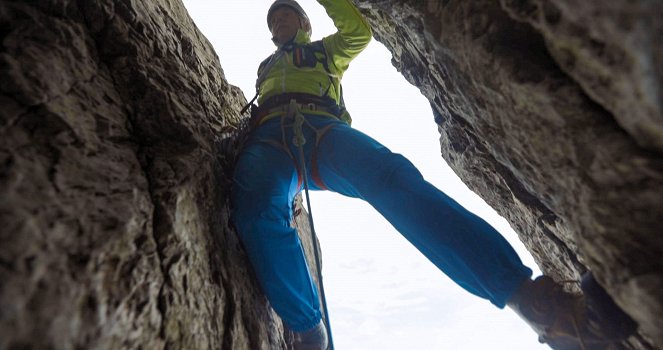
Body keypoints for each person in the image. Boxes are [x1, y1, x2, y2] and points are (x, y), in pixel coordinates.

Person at [231, 1, 621, 349]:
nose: (277, 24)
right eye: (273, 22)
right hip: (271, 135)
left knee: (392, 178)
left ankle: (549, 313)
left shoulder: (324, 53)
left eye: (285, 16)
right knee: (256, 206)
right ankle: (308, 329)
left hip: (321, 127)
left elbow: (356, 31)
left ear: (304, 23)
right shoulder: (267, 66)